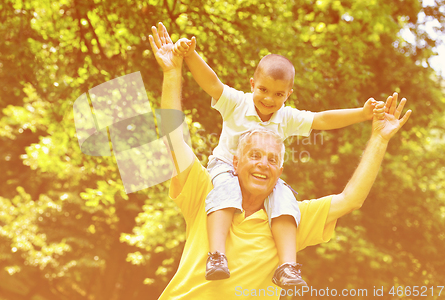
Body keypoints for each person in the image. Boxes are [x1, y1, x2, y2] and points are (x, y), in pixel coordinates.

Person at [149, 22, 411, 299]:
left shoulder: (286, 218)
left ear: (281, 169)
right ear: (238, 161)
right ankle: (217, 256)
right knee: (225, 190)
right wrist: (174, 69)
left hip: (275, 203)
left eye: (272, 159)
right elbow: (175, 137)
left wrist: (375, 132)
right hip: (221, 175)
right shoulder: (207, 193)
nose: (263, 163)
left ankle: (288, 267)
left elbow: (350, 197)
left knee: (286, 200)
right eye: (255, 156)